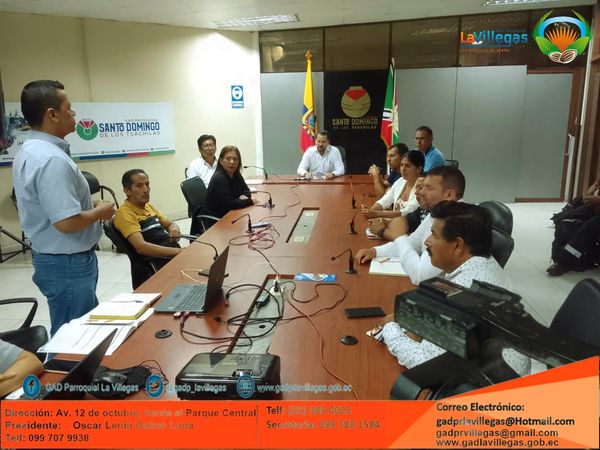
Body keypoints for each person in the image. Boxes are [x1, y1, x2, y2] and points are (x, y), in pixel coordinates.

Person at [373, 201, 530, 377]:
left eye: (434, 235)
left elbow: (423, 362)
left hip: (487, 388)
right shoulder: (485, 264)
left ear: (457, 245)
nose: (427, 242)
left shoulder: (464, 292)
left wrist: (390, 328)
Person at [12, 80, 115, 336]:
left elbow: (52, 205)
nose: (74, 113)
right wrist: (101, 212)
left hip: (59, 259)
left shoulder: (32, 150)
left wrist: (89, 204)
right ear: (53, 114)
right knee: (72, 338)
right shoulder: (51, 159)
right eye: (69, 108)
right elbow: (66, 222)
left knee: (80, 331)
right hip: (67, 263)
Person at [355, 166, 465, 284]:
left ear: (449, 195)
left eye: (428, 188)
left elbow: (420, 276)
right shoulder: (439, 212)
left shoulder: (456, 223)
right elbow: (413, 243)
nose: (421, 192)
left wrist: (398, 236)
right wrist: (375, 251)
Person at [114, 169, 182, 259]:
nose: (146, 190)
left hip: (173, 254)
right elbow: (141, 247)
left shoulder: (148, 206)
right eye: (139, 186)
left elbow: (170, 224)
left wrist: (173, 228)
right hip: (158, 261)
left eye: (147, 184)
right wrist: (179, 252)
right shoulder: (125, 213)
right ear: (127, 191)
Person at [547, 180, 600, 276]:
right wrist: (588, 196)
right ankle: (559, 255)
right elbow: (595, 185)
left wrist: (597, 199)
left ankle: (564, 262)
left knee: (589, 227)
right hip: (595, 207)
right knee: (567, 218)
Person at [362, 150, 424, 220]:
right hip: (395, 223)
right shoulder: (400, 181)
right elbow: (384, 200)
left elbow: (407, 212)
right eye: (402, 165)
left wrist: (376, 213)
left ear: (419, 169)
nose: (403, 169)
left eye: (407, 166)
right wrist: (371, 210)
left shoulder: (423, 187)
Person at [367, 176, 429, 241]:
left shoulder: (434, 217)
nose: (416, 192)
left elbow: (411, 243)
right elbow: (405, 222)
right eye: (416, 188)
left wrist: (382, 231)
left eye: (421, 188)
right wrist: (385, 222)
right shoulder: (418, 212)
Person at [206, 145, 257, 218]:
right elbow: (229, 205)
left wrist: (244, 197)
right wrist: (249, 201)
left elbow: (246, 190)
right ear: (221, 161)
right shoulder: (219, 178)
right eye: (228, 158)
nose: (232, 162)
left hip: (232, 213)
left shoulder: (236, 173)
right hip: (219, 219)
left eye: (235, 159)